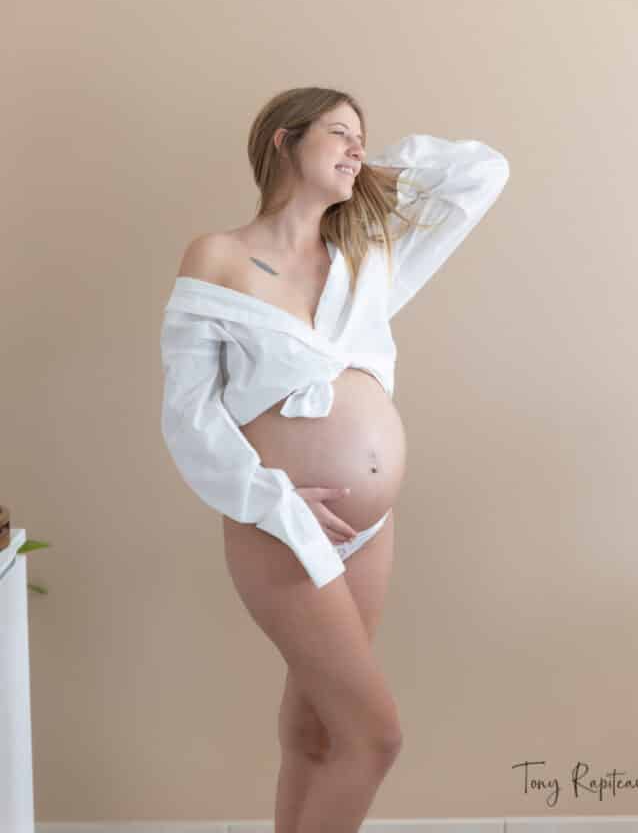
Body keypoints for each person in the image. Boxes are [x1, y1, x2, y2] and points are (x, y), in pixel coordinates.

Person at [160, 85, 510, 832]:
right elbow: (188, 415)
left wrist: (362, 162)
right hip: (280, 525)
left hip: (369, 532)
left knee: (318, 725)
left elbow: (483, 172)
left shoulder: (367, 259)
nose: (355, 147)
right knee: (373, 736)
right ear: (283, 141)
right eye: (337, 133)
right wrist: (272, 502)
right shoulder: (216, 256)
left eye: (362, 137)